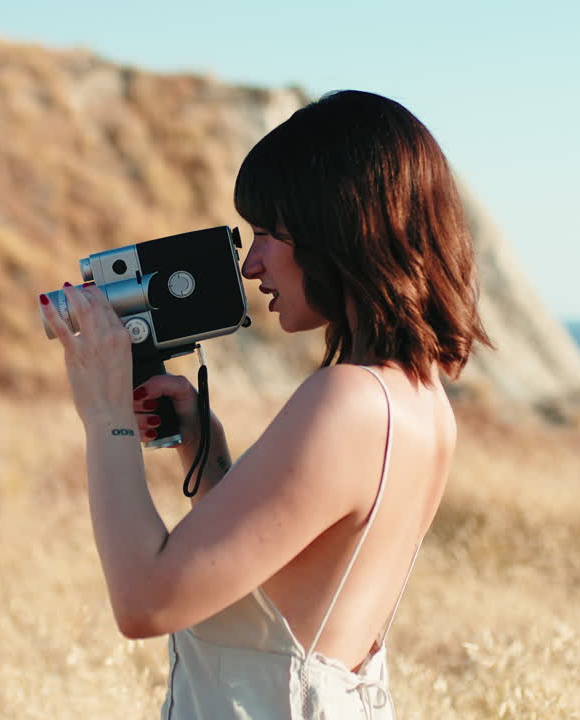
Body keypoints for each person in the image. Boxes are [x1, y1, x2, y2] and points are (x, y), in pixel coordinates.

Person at [38, 89, 491, 719]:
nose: (251, 264)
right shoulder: (417, 398)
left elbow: (144, 602)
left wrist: (105, 414)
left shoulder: (347, 400)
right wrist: (207, 455)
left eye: (270, 233)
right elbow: (288, 593)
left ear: (341, 229)